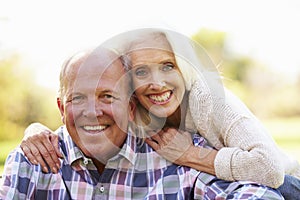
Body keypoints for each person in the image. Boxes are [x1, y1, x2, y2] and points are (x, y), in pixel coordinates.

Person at [1, 46, 284, 199]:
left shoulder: (171, 152)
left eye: (107, 96)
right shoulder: (31, 164)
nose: (92, 111)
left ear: (130, 105)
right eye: (77, 99)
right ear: (61, 108)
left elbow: (261, 191)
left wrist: (191, 155)